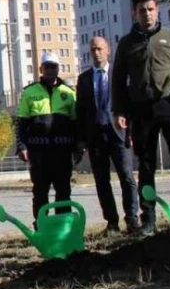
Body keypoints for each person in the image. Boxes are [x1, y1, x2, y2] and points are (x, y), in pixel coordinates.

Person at [112, 0, 170, 235]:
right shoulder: (127, 43)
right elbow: (118, 80)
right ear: (134, 13)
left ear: (157, 10)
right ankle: (148, 219)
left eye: (150, 9)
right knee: (146, 166)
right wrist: (119, 110)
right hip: (141, 111)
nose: (147, 14)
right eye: (141, 10)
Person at [75, 37, 139, 234]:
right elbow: (81, 111)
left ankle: (132, 219)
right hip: (96, 137)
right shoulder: (83, 79)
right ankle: (112, 222)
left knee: (127, 178)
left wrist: (131, 131)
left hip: (118, 134)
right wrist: (82, 139)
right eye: (93, 49)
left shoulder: (119, 75)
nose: (97, 53)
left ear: (108, 50)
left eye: (100, 49)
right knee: (102, 181)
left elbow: (131, 105)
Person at [16, 52, 79, 224]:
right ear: (41, 69)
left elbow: (75, 124)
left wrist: (78, 146)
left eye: (54, 66)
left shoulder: (69, 93)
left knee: (64, 191)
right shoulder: (29, 92)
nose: (51, 70)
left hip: (62, 152)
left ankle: (63, 226)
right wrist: (21, 146)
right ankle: (42, 225)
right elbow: (21, 123)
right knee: (40, 192)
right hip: (39, 153)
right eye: (47, 67)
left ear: (58, 69)